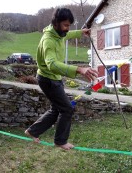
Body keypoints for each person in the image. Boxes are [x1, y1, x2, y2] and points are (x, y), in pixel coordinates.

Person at [25, 8, 98, 150]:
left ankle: (33, 131)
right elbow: (51, 64)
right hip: (47, 79)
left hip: (54, 78)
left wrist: (80, 32)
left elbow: (67, 35)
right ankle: (60, 141)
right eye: (65, 25)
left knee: (56, 109)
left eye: (69, 25)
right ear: (56, 23)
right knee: (66, 109)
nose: (67, 28)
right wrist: (79, 69)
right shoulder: (48, 40)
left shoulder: (59, 34)